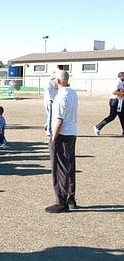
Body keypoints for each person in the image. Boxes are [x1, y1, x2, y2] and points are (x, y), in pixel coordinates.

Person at [45, 70, 79, 214]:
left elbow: (59, 120)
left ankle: (61, 201)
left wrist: (53, 138)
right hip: (71, 134)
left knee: (59, 169)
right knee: (69, 167)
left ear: (58, 81)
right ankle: (71, 199)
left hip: (62, 135)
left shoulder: (60, 97)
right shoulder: (72, 93)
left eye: (54, 79)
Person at [93, 72, 124, 136]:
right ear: (120, 76)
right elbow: (114, 92)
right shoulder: (117, 82)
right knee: (111, 117)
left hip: (120, 101)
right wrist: (122, 93)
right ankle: (97, 127)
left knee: (122, 116)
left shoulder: (122, 82)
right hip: (114, 101)